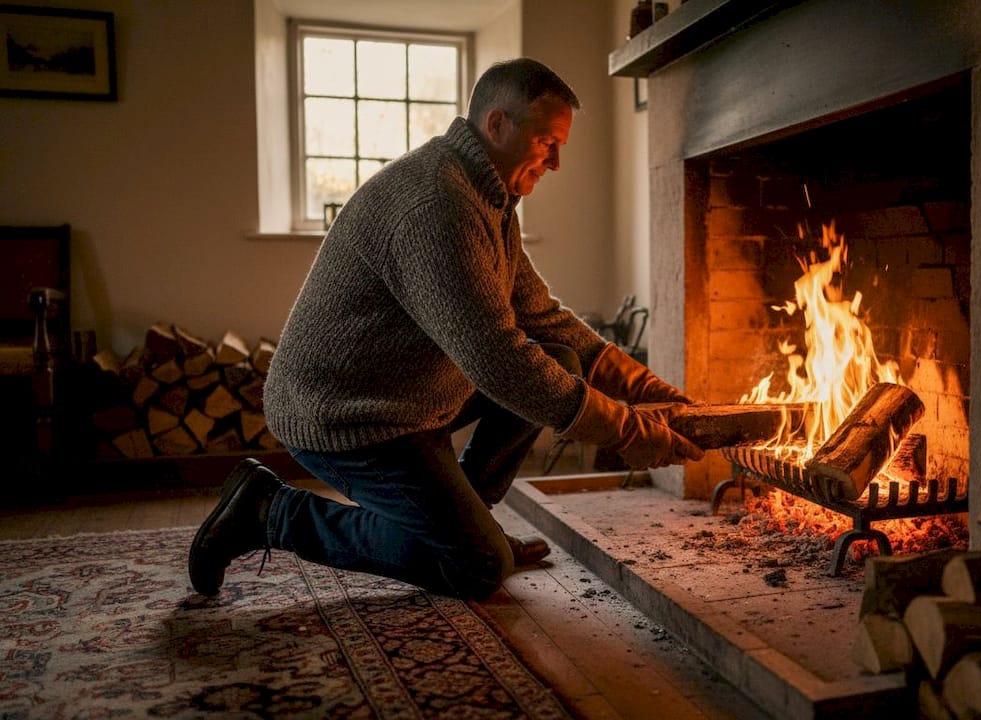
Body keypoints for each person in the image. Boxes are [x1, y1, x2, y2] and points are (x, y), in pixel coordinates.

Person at [188, 58, 704, 601]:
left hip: (408, 398)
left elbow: (540, 315)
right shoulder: (436, 202)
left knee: (560, 361)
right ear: (498, 125)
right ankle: (271, 510)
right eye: (547, 141)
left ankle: (468, 521)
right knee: (477, 567)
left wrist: (651, 392)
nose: (556, 163)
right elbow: (498, 358)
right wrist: (625, 430)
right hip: (348, 414)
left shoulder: (490, 196)